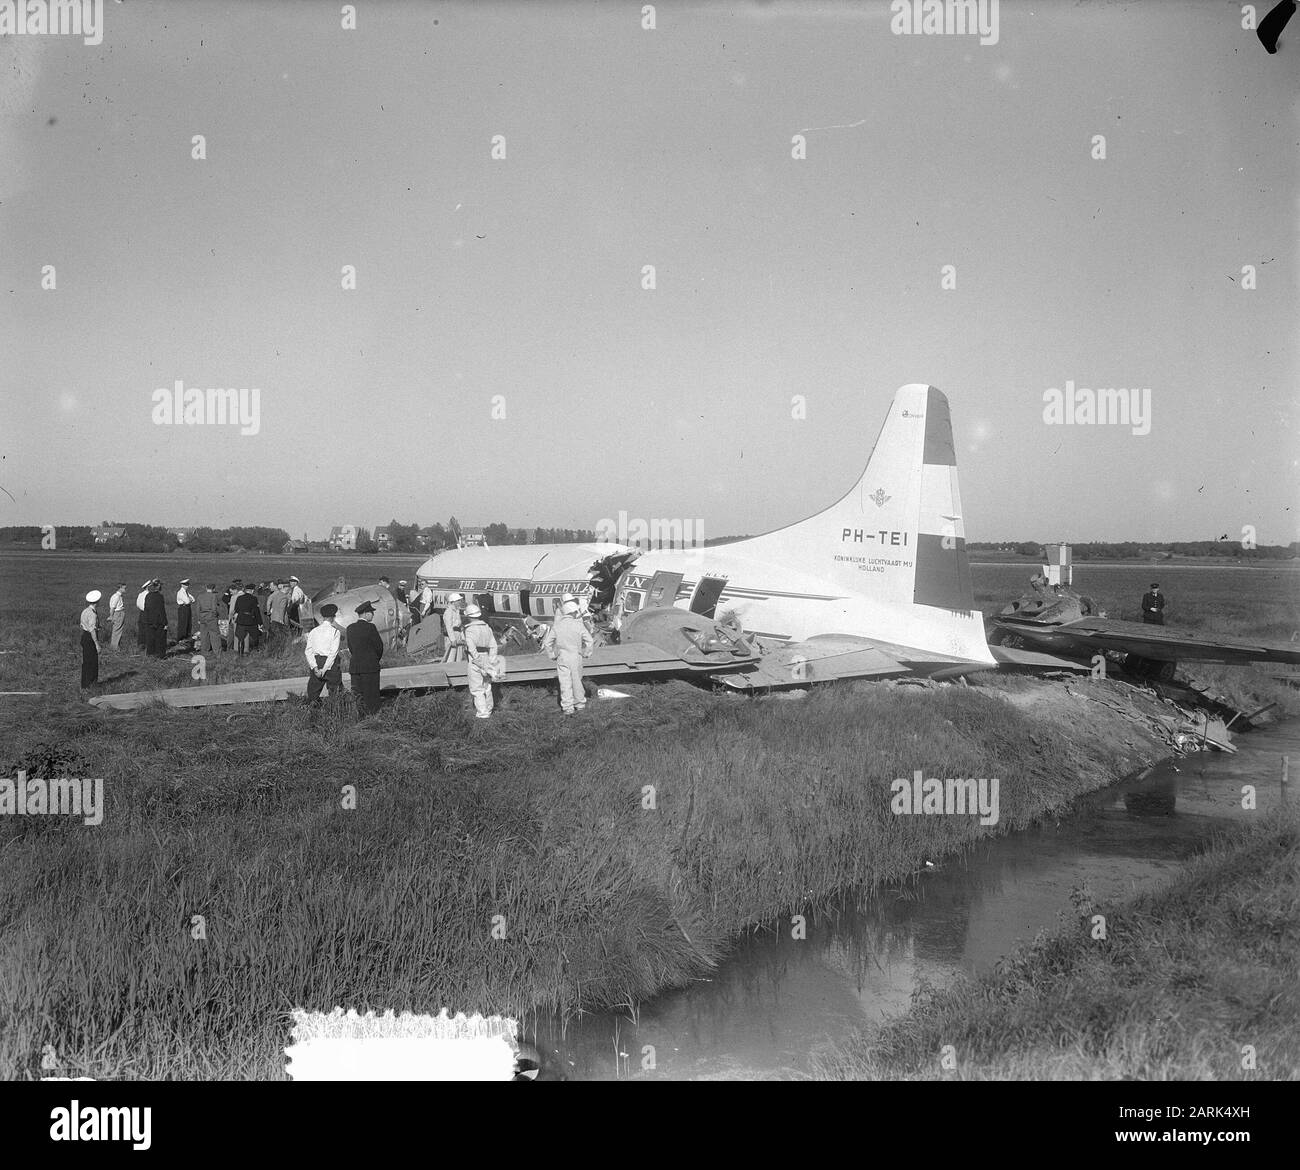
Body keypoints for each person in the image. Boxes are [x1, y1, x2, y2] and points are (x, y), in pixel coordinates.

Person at [542, 594, 594, 714]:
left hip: (562, 657)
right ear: (573, 612)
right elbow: (590, 641)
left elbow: (547, 643)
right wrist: (586, 653)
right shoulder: (578, 625)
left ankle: (567, 708)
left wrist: (552, 655)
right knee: (577, 681)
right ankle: (580, 704)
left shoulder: (557, 626)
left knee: (565, 683)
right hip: (576, 656)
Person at [461, 603, 500, 719]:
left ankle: (482, 713)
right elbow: (494, 646)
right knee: (487, 686)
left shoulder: (469, 630)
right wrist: (491, 662)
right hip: (487, 656)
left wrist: (479, 663)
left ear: (468, 616)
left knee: (477, 688)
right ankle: (489, 708)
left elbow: (471, 649)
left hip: (474, 660)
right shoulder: (487, 628)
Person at [346, 599, 385, 716]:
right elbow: (379, 647)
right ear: (366, 613)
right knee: (372, 695)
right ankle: (372, 718)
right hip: (370, 666)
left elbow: (351, 648)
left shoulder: (350, 628)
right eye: (372, 613)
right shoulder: (371, 627)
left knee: (358, 695)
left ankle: (361, 718)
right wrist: (374, 659)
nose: (373, 615)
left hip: (355, 666)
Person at [305, 602, 343, 706]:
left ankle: (313, 712)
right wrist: (324, 669)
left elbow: (308, 651)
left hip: (316, 661)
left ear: (322, 617)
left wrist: (315, 667)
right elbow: (333, 653)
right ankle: (334, 712)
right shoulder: (335, 632)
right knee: (335, 692)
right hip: (330, 665)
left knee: (313, 691)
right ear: (333, 617)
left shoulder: (313, 631)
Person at [233, 583, 261, 655]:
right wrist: (260, 622)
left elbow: (236, 609)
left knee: (240, 638)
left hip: (241, 620)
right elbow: (256, 611)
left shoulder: (239, 598)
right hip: (250, 621)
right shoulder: (254, 598)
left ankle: (240, 654)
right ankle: (256, 651)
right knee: (255, 636)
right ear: (252, 591)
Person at [80, 590, 101, 689]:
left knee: (86, 661)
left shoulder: (85, 611)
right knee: (92, 662)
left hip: (84, 635)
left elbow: (82, 624)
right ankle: (91, 684)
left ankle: (85, 683)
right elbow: (92, 630)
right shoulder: (93, 614)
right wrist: (97, 644)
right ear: (97, 601)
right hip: (90, 638)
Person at [196, 582, 222, 657]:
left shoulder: (200, 596)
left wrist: (199, 618)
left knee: (204, 635)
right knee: (214, 635)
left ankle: (205, 652)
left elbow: (198, 608)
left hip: (202, 617)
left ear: (206, 588)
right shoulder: (213, 596)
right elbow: (214, 608)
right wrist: (215, 615)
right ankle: (217, 652)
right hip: (211, 617)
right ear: (213, 589)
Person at [144, 580, 168, 658]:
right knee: (160, 638)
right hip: (158, 621)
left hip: (149, 620)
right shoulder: (160, 596)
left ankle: (150, 654)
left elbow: (146, 608)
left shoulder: (148, 596)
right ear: (158, 586)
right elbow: (161, 610)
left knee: (150, 638)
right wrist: (165, 622)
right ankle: (159, 655)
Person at [441, 592, 466, 662]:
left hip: (457, 635)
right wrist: (452, 639)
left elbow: (460, 626)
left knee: (459, 657)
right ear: (453, 602)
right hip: (451, 636)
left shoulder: (457, 611)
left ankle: (458, 671)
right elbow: (448, 627)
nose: (460, 602)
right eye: (458, 600)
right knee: (451, 657)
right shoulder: (449, 611)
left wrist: (463, 637)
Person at [267, 581, 290, 650]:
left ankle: (271, 649)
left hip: (273, 617)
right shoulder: (284, 597)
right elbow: (282, 609)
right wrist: (281, 619)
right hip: (280, 618)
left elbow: (270, 604)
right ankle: (281, 649)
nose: (289, 591)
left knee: (274, 635)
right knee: (282, 636)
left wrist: (268, 613)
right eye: (288, 589)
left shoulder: (276, 595)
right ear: (286, 588)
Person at [175, 579, 194, 645]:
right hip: (183, 608)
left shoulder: (186, 592)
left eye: (188, 584)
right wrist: (190, 600)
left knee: (188, 623)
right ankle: (180, 639)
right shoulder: (180, 592)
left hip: (187, 608)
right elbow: (188, 601)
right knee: (183, 623)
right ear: (182, 585)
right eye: (186, 584)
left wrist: (190, 600)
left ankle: (186, 638)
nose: (187, 586)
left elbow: (193, 599)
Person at [108, 582, 126, 650]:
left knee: (117, 630)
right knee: (117, 630)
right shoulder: (117, 596)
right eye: (124, 588)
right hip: (118, 613)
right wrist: (111, 616)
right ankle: (114, 647)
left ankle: (115, 645)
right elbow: (112, 607)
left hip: (119, 613)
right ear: (120, 588)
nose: (125, 590)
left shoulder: (116, 595)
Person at [135, 579, 150, 650]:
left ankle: (140, 644)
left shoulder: (140, 594)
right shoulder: (149, 594)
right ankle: (147, 645)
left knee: (141, 629)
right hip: (148, 613)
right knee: (148, 629)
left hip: (142, 613)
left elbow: (137, 604)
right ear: (147, 586)